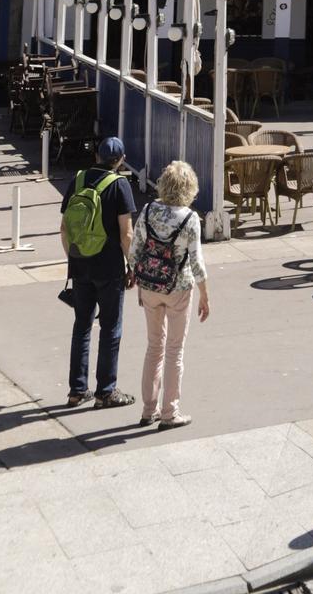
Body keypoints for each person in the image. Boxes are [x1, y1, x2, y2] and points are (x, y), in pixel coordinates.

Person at [128, 159, 210, 429]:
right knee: (175, 350)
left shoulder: (149, 209)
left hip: (150, 286)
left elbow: (135, 251)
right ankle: (169, 412)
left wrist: (140, 279)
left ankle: (147, 409)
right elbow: (196, 262)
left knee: (154, 346)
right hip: (178, 288)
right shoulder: (189, 219)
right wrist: (205, 295)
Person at [61, 136, 136, 409]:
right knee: (110, 328)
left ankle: (77, 390)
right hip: (109, 268)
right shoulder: (120, 185)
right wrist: (133, 266)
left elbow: (64, 229)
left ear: (97, 156)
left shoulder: (78, 180)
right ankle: (106, 391)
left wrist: (74, 256)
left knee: (81, 326)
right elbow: (126, 234)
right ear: (121, 160)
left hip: (80, 265)